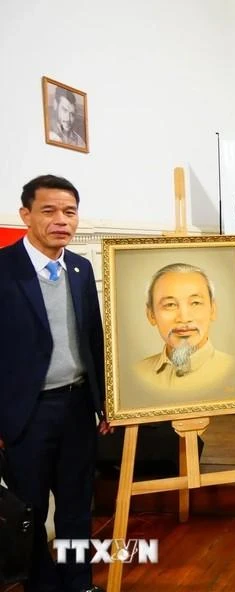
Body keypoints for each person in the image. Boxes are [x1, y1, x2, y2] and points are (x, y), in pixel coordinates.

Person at [0, 175, 109, 592]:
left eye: (69, 212)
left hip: (78, 407)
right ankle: (42, 586)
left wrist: (104, 402)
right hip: (26, 413)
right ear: (25, 214)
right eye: (49, 211)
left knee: (77, 505)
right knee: (29, 508)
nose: (61, 220)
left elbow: (94, 339)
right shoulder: (5, 269)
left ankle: (79, 582)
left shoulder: (80, 269)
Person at [132, 263, 235, 404]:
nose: (184, 318)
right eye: (170, 305)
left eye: (195, 303)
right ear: (151, 314)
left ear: (213, 309)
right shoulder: (136, 374)